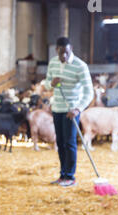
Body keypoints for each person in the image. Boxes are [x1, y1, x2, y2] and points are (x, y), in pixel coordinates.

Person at [44, 37, 93, 187]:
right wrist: (51, 83)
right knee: (60, 142)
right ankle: (62, 175)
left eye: (66, 52)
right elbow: (46, 85)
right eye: (60, 53)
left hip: (71, 111)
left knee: (69, 142)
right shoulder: (53, 63)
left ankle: (70, 176)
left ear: (71, 48)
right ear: (56, 50)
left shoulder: (80, 66)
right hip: (57, 109)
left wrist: (78, 108)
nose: (63, 56)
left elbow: (89, 92)